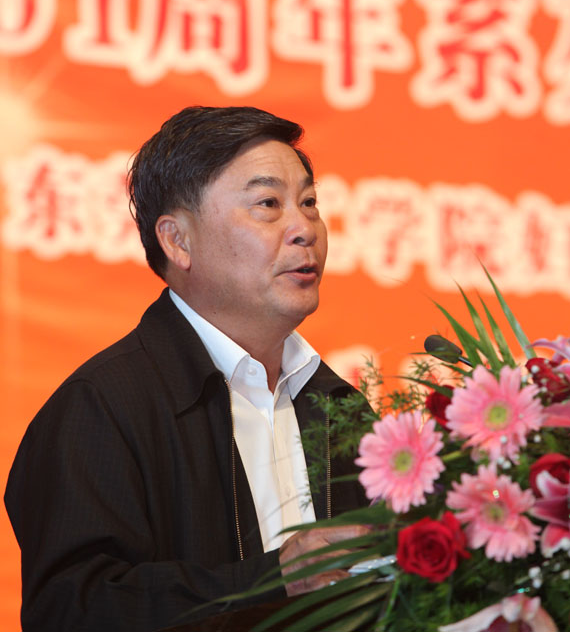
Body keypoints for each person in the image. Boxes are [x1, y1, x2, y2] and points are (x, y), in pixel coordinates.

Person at [5, 106, 369, 632]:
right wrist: (272, 580)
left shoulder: (339, 405)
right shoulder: (101, 407)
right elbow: (72, 609)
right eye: (268, 204)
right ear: (177, 241)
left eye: (309, 203)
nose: (304, 229)